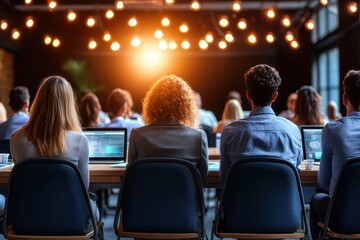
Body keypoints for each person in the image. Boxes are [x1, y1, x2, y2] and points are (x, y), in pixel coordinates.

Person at [10, 76, 99, 221]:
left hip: (27, 217)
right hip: (70, 218)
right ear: (68, 105)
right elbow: (83, 187)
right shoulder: (80, 140)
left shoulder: (16, 138)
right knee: (93, 207)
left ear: (38, 102)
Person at [219, 64, 302, 186]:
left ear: (248, 95)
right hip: (282, 204)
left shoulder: (229, 132)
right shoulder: (293, 131)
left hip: (241, 204)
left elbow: (224, 182)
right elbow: (296, 175)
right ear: (275, 96)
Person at [128, 75, 209, 184]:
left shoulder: (137, 135)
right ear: (186, 105)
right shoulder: (198, 137)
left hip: (147, 199)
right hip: (185, 200)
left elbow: (131, 175)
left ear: (152, 103)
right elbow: (202, 179)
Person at [310, 70, 360, 239]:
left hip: (343, 218)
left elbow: (323, 182)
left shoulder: (332, 130)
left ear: (345, 98)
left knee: (316, 198)